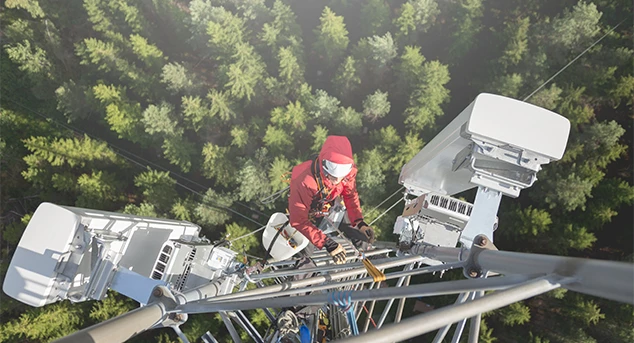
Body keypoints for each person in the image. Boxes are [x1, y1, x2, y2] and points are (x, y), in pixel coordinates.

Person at [288, 136, 375, 264]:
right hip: (307, 216)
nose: (337, 180)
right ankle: (305, 276)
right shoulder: (304, 181)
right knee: (305, 252)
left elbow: (350, 195)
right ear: (324, 165)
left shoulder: (347, 171)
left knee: (360, 236)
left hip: (329, 207)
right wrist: (327, 242)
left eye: (340, 177)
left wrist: (359, 222)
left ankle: (366, 257)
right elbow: (298, 220)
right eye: (333, 176)